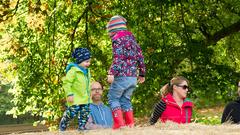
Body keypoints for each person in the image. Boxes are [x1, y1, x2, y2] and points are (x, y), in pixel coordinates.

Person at [106, 15, 146, 129]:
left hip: (122, 76)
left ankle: (119, 124)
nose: (109, 35)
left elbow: (118, 58)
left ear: (113, 30)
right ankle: (130, 124)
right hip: (133, 77)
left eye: (109, 32)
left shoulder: (117, 39)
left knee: (113, 97)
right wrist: (142, 73)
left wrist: (111, 73)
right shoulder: (132, 39)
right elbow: (140, 56)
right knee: (125, 100)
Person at [59, 47, 92, 131]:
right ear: (79, 61)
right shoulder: (73, 71)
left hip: (85, 97)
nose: (88, 64)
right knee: (72, 112)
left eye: (89, 61)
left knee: (85, 113)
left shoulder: (87, 71)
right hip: (75, 97)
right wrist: (69, 94)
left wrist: (92, 87)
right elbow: (66, 83)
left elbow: (89, 81)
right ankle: (64, 122)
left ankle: (81, 127)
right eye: (86, 61)